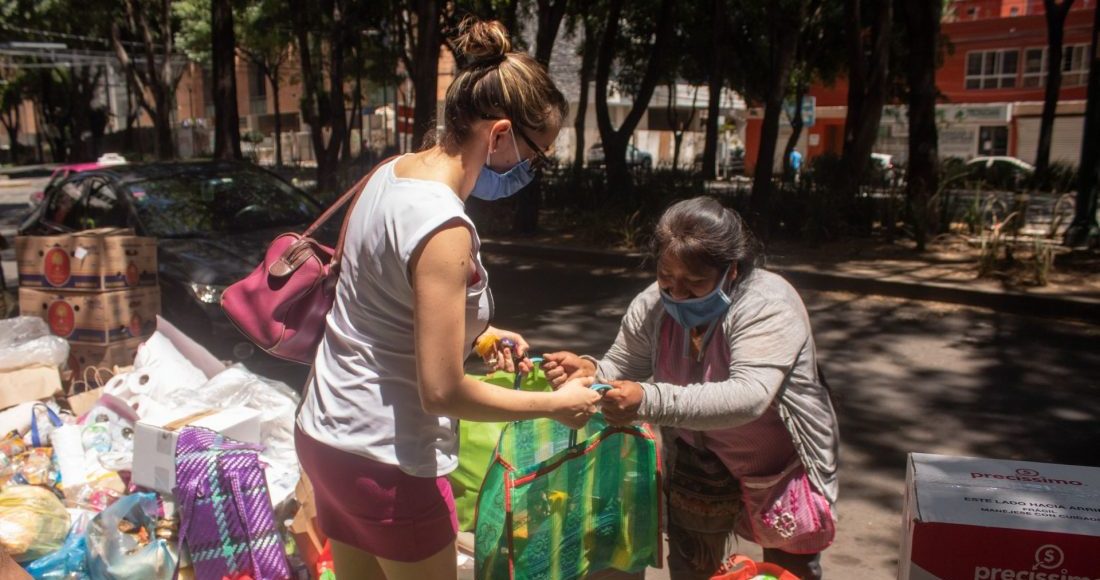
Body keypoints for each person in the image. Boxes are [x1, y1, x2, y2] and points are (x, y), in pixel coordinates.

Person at [295, 18, 602, 580]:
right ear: (501, 132)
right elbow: (440, 392)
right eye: (538, 154)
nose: (533, 169)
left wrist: (475, 333)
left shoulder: (389, 174)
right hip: (386, 463)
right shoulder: (444, 226)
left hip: (325, 434)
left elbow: (379, 303)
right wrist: (555, 406)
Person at [544, 197, 839, 580]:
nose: (677, 295)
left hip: (778, 466)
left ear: (731, 271)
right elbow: (622, 364)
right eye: (667, 279)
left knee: (787, 570)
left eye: (696, 283)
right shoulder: (652, 304)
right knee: (694, 567)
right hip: (697, 459)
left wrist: (647, 399)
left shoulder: (767, 304)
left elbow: (748, 396)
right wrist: (589, 369)